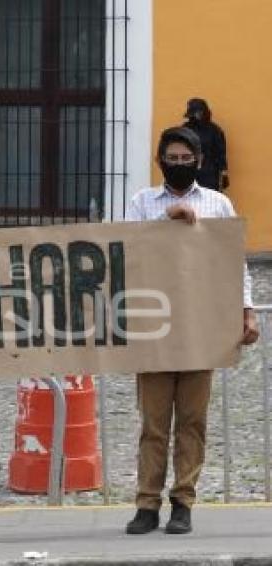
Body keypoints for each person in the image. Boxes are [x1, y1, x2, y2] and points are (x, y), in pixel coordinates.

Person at [124, 127, 258, 535]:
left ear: (198, 161)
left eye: (186, 159)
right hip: (156, 327)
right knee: (153, 421)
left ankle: (183, 500)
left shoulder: (218, 203)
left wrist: (246, 310)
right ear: (160, 160)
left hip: (201, 324)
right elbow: (128, 249)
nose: (178, 165)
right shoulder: (142, 202)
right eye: (172, 158)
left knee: (192, 422)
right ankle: (147, 504)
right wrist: (166, 221)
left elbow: (234, 261)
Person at [183, 98, 229, 192]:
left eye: (199, 112)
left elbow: (220, 153)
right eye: (195, 112)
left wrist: (224, 173)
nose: (197, 115)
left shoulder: (214, 130)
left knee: (209, 200)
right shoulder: (185, 130)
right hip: (189, 170)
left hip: (209, 173)